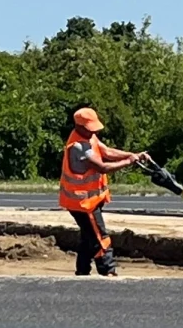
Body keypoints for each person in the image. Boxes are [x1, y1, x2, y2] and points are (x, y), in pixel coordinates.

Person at [58, 107, 149, 277]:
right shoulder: (78, 146)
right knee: (100, 237)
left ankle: (82, 272)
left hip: (90, 201)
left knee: (88, 237)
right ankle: (108, 271)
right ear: (79, 126)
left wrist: (133, 155)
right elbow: (102, 167)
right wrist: (129, 161)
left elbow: (107, 152)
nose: (94, 131)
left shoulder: (88, 137)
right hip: (84, 204)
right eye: (90, 128)